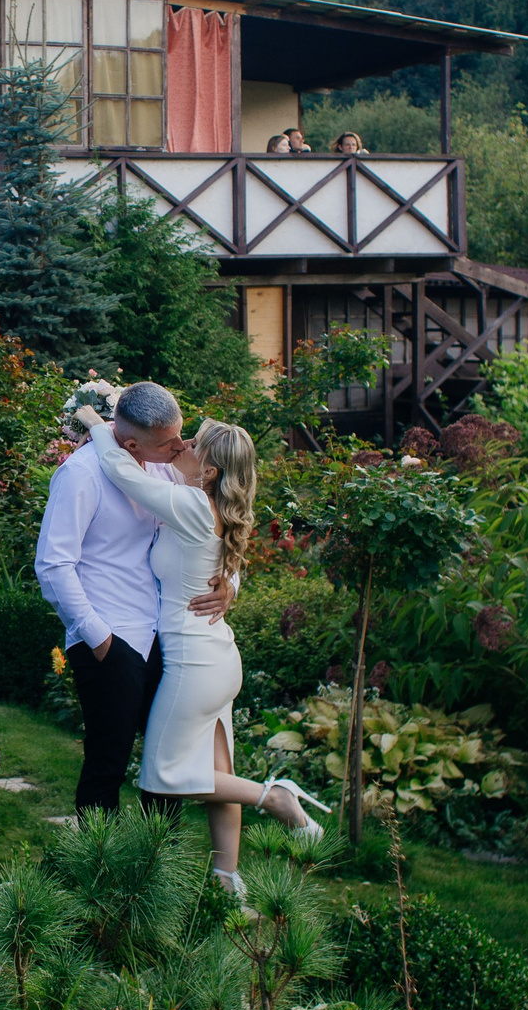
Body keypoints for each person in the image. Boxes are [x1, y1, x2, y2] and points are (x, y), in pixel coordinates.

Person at [72, 404, 327, 897]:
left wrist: (98, 425)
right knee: (217, 774)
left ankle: (274, 798)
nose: (182, 446)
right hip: (219, 659)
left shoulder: (190, 506)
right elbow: (218, 559)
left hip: (193, 664)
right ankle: (228, 879)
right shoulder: (210, 504)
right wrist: (230, 580)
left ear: (209, 470)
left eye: (193, 445)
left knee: (165, 776)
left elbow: (122, 468)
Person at [35, 382, 232, 814]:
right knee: (108, 764)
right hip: (111, 637)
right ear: (129, 443)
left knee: (167, 764)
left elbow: (220, 525)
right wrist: (99, 638)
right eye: (170, 440)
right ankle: (97, 872)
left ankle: (157, 871)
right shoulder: (81, 474)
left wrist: (230, 582)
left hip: (161, 636)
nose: (182, 446)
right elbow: (53, 565)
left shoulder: (167, 465)